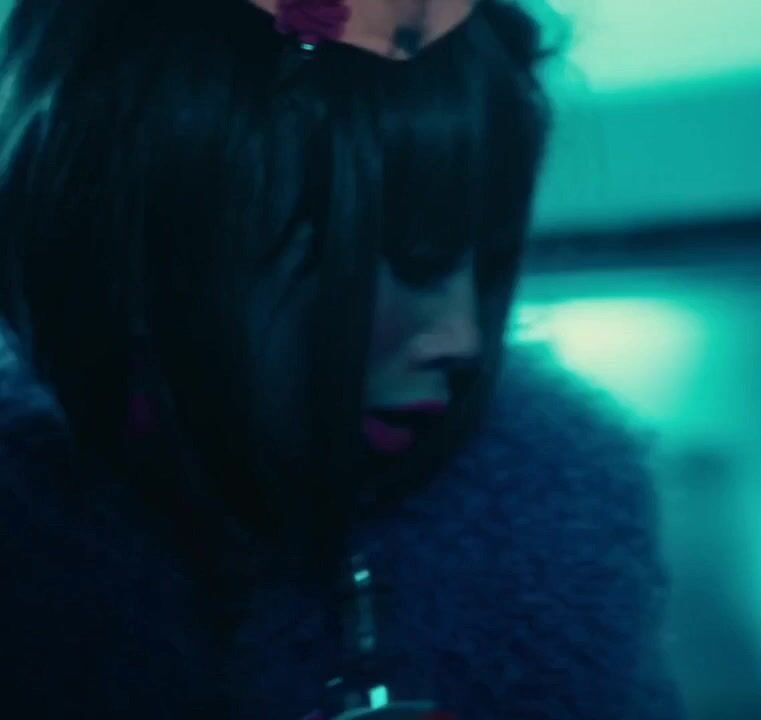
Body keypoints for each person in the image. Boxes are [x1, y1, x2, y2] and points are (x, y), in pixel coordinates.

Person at [0, 0, 682, 717]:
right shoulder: (30, 562)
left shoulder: (555, 550)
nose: (463, 337)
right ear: (153, 253)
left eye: (484, 264)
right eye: (413, 261)